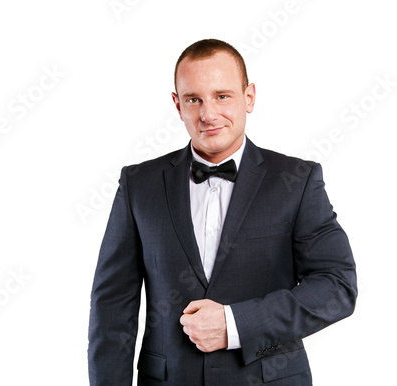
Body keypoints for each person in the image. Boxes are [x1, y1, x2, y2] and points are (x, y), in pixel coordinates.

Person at [88, 38, 357, 385]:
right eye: (193, 99)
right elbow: (112, 307)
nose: (208, 114)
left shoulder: (298, 180)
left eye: (222, 96)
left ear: (249, 97)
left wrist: (236, 324)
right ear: (177, 104)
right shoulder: (139, 184)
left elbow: (337, 286)